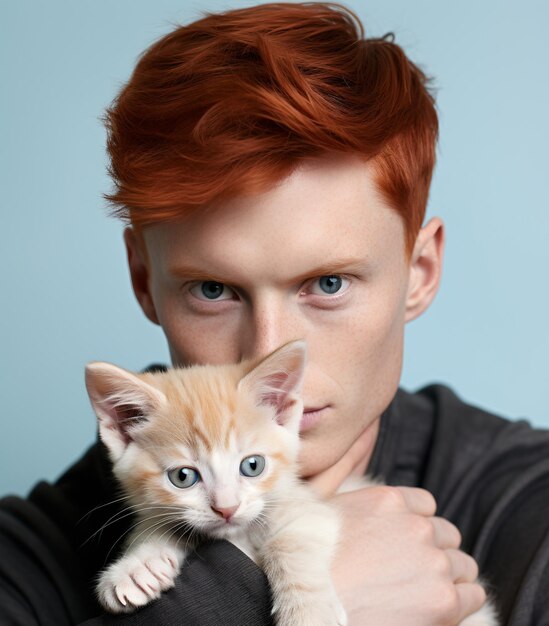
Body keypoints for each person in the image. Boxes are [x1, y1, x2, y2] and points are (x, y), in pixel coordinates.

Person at [1, 2, 548, 625]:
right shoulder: (26, 559)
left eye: (329, 282)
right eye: (213, 290)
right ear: (143, 280)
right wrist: (237, 603)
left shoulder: (529, 505)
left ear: (419, 274)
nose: (270, 348)